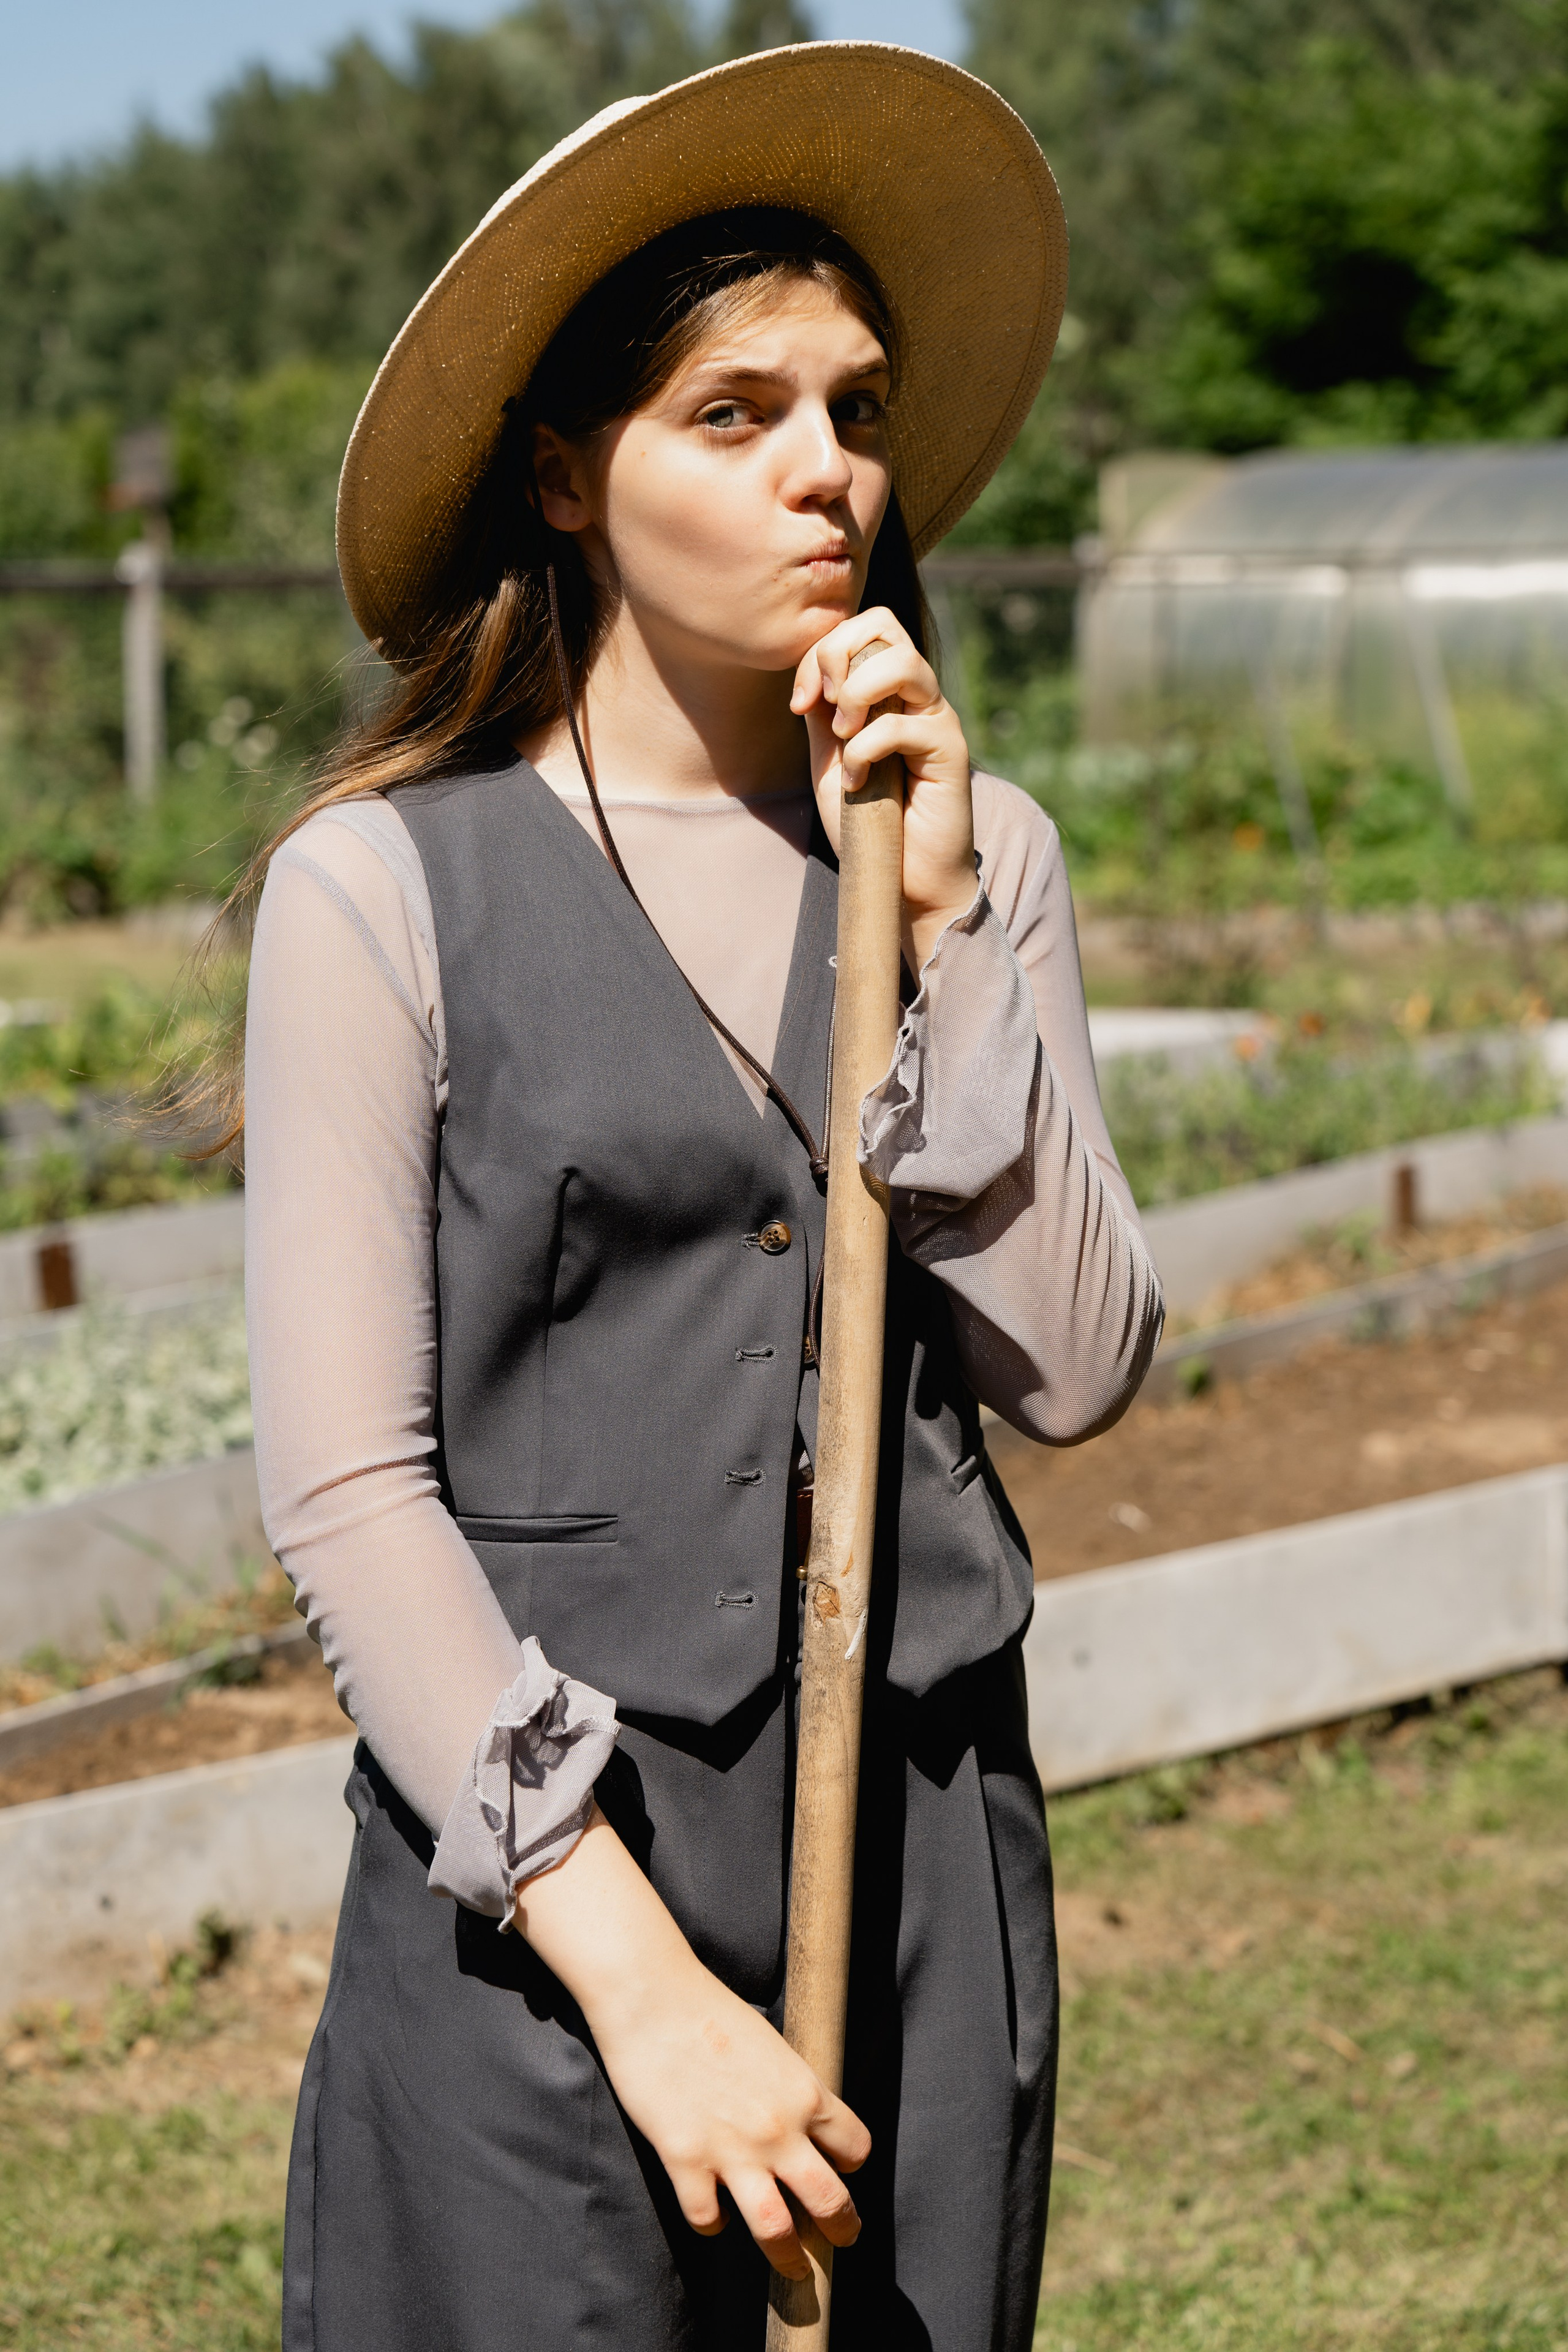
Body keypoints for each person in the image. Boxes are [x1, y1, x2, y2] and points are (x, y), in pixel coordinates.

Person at [238, 42, 1163, 2352]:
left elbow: (1079, 1365)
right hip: (542, 1896)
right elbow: (352, 1496)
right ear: (565, 475)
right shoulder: (383, 892)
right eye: (731, 414)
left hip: (925, 1861)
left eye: (850, 407)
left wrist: (940, 933)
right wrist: (641, 1988)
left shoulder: (982, 848)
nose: (825, 468)